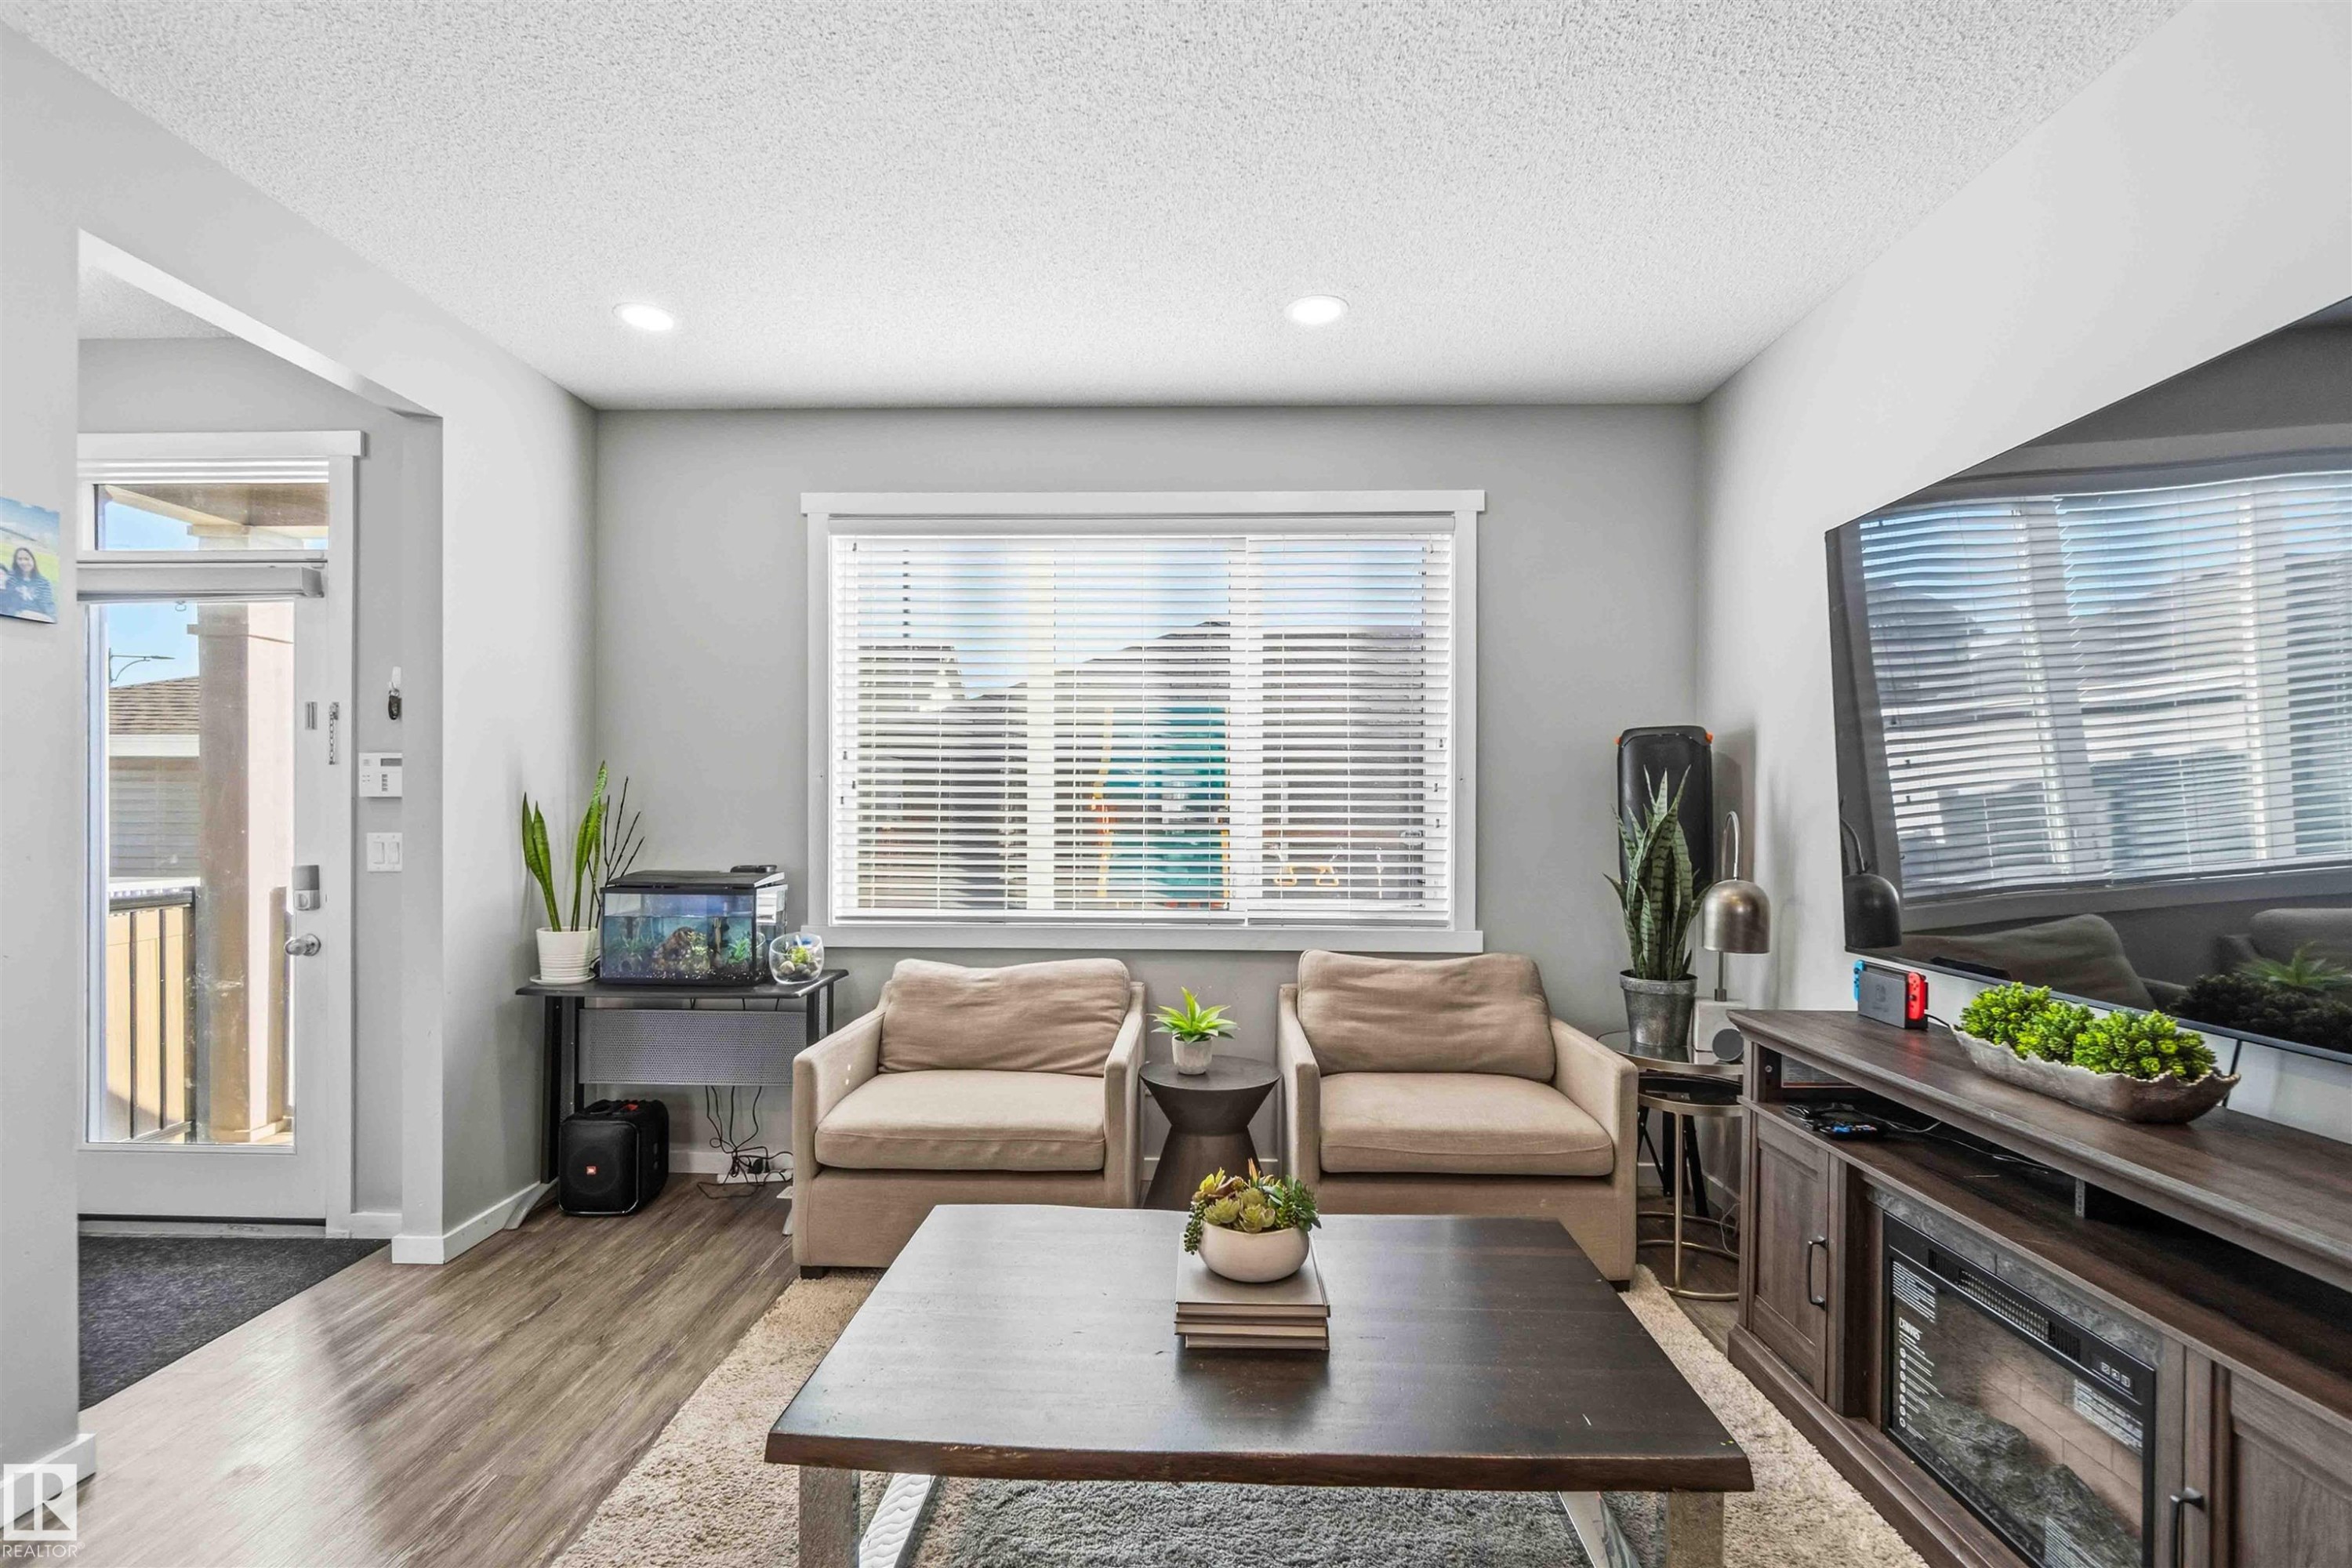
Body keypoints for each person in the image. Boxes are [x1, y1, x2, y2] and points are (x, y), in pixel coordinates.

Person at [0, 546, 56, 622]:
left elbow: (48, 605)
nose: (23, 562)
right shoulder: (11, 577)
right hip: (13, 615)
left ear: (33, 560)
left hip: (35, 617)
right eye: (20, 559)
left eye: (27, 559)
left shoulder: (43, 582)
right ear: (16, 561)